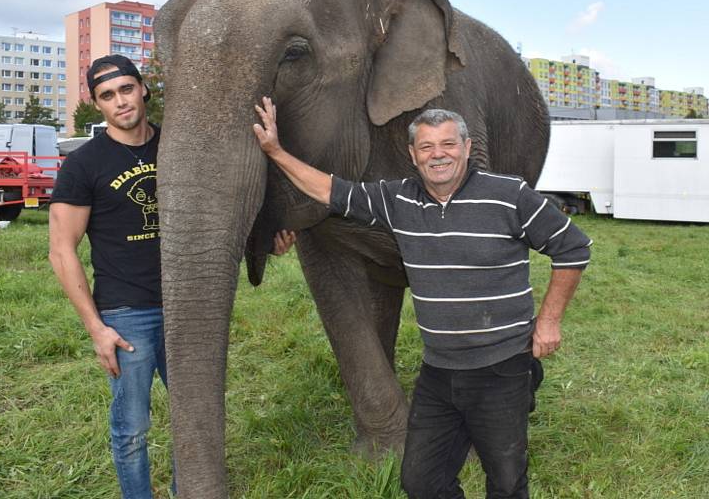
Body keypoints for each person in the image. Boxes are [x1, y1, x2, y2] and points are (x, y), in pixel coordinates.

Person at [253, 96, 591, 499]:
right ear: (412, 155)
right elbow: (330, 190)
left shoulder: (508, 195)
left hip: (502, 367)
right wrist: (275, 151)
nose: (438, 155)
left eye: (448, 144)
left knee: (505, 480)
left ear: (467, 147)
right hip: (439, 372)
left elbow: (573, 247)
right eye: (427, 147)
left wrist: (549, 321)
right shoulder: (399, 201)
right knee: (421, 481)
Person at [48, 56, 294, 499]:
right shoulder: (84, 164)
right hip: (127, 315)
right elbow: (61, 250)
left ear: (143, 89)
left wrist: (264, 240)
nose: (120, 101)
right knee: (132, 426)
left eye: (126, 89)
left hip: (189, 306)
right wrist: (96, 328)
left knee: (193, 417)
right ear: (97, 104)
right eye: (108, 95)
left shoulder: (180, 146)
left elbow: (221, 207)